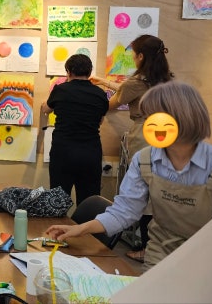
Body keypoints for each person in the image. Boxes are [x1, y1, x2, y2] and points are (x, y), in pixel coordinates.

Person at [46, 81, 212, 270]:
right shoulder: (144, 160)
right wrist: (80, 229)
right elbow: (124, 211)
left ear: (185, 117)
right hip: (159, 256)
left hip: (210, 263)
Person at [90, 34, 173, 263]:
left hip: (145, 135)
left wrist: (93, 99)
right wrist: (104, 82)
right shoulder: (164, 79)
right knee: (157, 189)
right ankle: (153, 245)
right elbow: (128, 89)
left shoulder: (137, 83)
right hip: (166, 134)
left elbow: (112, 103)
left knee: (142, 190)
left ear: (141, 56)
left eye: (134, 55)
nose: (133, 58)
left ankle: (146, 248)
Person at [40, 54, 109, 207]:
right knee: (88, 203)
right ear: (89, 72)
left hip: (63, 152)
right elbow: (100, 121)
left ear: (68, 71)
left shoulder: (60, 90)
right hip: (90, 153)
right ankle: (86, 224)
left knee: (58, 202)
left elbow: (46, 109)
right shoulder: (100, 94)